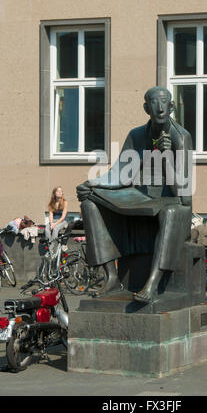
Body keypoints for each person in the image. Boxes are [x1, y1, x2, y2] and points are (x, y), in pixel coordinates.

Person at [76, 86, 192, 303]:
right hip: (140, 197)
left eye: (164, 102)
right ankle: (111, 277)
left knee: (170, 213)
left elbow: (182, 192)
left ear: (172, 106)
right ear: (146, 107)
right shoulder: (137, 135)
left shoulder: (181, 137)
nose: (159, 108)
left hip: (173, 201)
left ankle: (153, 283)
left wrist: (166, 156)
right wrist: (92, 184)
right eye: (154, 103)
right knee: (90, 203)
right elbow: (120, 173)